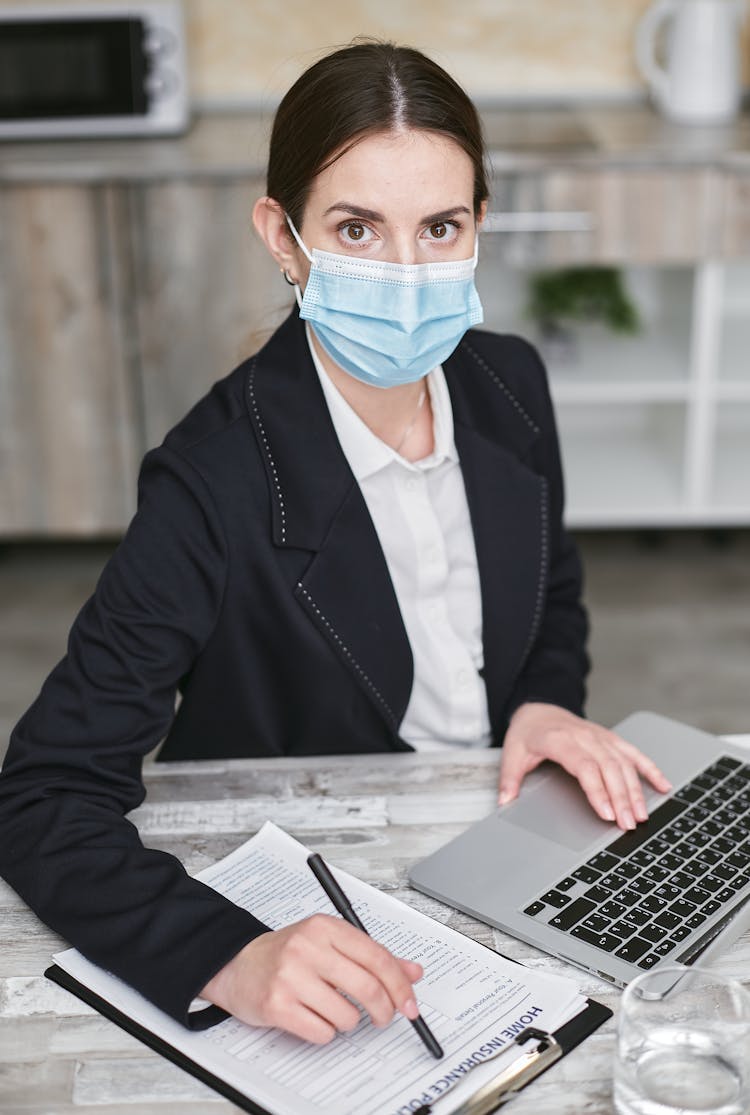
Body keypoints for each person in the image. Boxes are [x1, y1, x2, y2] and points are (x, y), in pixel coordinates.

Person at [0, 40, 670, 1046]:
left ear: (480, 227)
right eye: (357, 227)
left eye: (439, 226)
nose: (405, 273)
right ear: (284, 235)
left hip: (494, 823)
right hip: (326, 869)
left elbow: (552, 593)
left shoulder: (509, 385)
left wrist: (543, 700)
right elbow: (44, 794)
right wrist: (224, 949)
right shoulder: (210, 481)